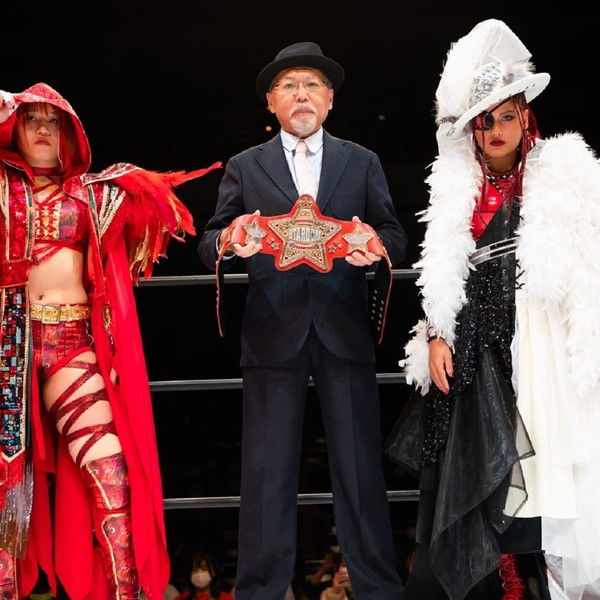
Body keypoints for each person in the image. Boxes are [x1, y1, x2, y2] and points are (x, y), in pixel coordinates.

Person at [392, 18, 600, 600]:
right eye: (484, 122)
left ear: (525, 116)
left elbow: (589, 267)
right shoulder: (457, 186)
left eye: (506, 116)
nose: (496, 131)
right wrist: (437, 332)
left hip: (543, 348)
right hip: (475, 355)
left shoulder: (564, 174)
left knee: (550, 479)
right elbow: (443, 268)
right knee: (474, 485)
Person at [198, 42, 407, 600]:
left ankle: (379, 590)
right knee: (266, 474)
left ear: (330, 99)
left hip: (345, 331)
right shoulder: (246, 165)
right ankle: (260, 592)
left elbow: (394, 234)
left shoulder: (361, 161)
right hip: (272, 333)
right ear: (271, 101)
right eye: (289, 85)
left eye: (312, 85)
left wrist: (374, 246)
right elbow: (209, 240)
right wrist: (231, 240)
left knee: (361, 471)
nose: (301, 95)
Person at [0, 83, 218, 599]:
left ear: (70, 133)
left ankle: (126, 591)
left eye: (53, 121)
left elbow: (159, 203)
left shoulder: (97, 194)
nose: (43, 129)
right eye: (31, 119)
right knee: (5, 482)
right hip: (8, 345)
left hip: (72, 343)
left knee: (110, 470)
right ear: (13, 127)